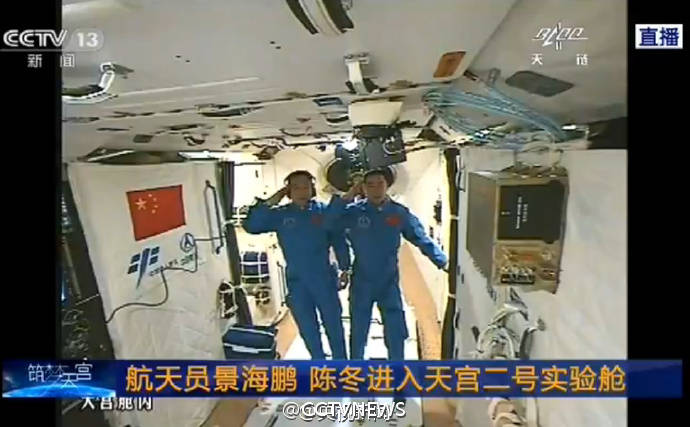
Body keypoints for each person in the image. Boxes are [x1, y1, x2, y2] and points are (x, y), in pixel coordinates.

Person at [324, 169, 448, 361]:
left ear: (387, 185)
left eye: (380, 184)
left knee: (395, 330)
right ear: (363, 188)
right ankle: (356, 367)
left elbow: (420, 238)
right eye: (370, 185)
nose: (376, 189)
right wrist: (349, 195)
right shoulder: (353, 213)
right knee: (359, 329)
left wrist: (442, 261)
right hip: (362, 280)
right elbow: (329, 222)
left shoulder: (398, 213)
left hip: (388, 280)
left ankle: (396, 367)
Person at [242, 170, 350, 359]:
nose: (301, 191)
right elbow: (251, 226)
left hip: (324, 278)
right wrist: (277, 196)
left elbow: (339, 240)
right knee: (308, 328)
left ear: (312, 189)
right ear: (289, 191)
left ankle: (341, 362)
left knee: (333, 324)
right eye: (295, 187)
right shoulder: (281, 215)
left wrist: (345, 268)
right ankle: (319, 362)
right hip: (297, 281)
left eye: (305, 187)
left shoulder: (323, 212)